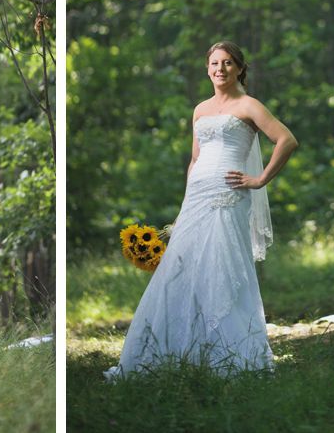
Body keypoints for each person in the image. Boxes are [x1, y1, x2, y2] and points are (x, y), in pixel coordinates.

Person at [105, 41, 298, 378]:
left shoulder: (249, 105)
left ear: (239, 67)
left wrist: (260, 180)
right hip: (197, 196)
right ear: (207, 68)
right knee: (180, 269)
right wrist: (183, 210)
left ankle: (232, 354)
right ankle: (182, 350)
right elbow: (195, 159)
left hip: (229, 194)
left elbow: (286, 140)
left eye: (226, 63)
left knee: (222, 267)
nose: (219, 69)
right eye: (214, 63)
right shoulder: (200, 109)